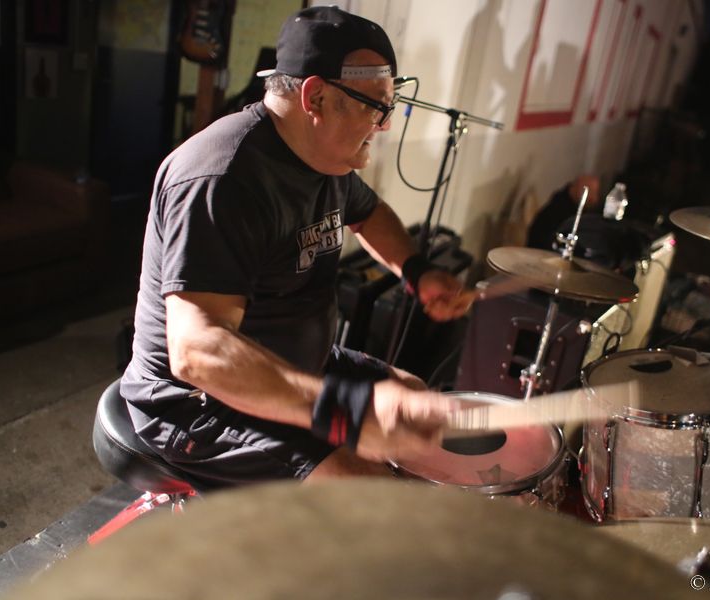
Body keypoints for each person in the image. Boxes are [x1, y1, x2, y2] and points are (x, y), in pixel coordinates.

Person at [120, 6, 472, 486]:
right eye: (375, 106)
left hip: (292, 359)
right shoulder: (223, 177)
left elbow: (369, 213)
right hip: (196, 404)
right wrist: (344, 412)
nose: (385, 124)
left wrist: (417, 271)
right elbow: (198, 352)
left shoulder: (326, 158)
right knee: (374, 490)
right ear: (317, 97)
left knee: (412, 392)